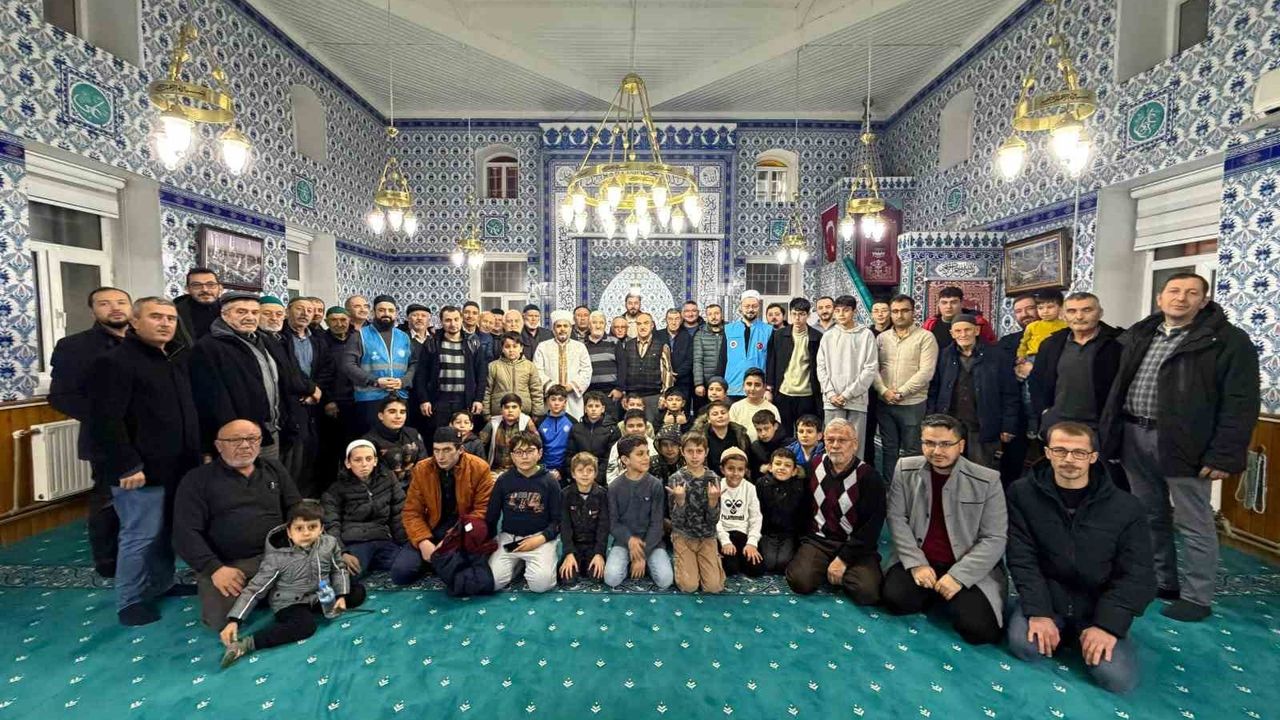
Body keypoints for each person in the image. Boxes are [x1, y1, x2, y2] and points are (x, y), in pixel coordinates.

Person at [1099, 272, 1260, 622]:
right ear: (1160, 298)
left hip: (1186, 442)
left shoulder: (1226, 341)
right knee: (1149, 515)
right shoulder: (1142, 334)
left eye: (1191, 293)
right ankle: (1163, 581)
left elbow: (1241, 401)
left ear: (1204, 300)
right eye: (1174, 291)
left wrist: (1224, 454)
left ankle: (1197, 596)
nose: (1181, 298)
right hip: (1134, 434)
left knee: (1193, 520)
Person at [1006, 421, 1155, 693]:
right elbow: (1021, 558)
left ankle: (1084, 634)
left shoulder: (1126, 507)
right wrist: (1038, 612)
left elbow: (1138, 575)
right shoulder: (1021, 494)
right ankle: (1058, 629)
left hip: (1097, 606)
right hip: (1049, 598)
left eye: (1079, 452)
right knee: (1025, 647)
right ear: (1048, 453)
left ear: (1093, 457)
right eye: (1060, 451)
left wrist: (1107, 626)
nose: (1069, 459)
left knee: (1116, 679)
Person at [87, 296, 201, 625]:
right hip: (139, 470)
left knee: (164, 531)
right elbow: (106, 420)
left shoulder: (170, 358)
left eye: (170, 318)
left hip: (176, 465)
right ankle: (131, 601)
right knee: (140, 535)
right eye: (156, 317)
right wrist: (127, 464)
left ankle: (162, 583)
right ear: (135, 322)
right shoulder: (115, 362)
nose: (165, 323)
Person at [880, 414, 1007, 645]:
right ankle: (935, 590)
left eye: (946, 444)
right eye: (929, 443)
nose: (937, 451)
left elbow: (994, 538)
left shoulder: (987, 480)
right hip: (921, 558)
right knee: (896, 601)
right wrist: (916, 563)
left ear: (961, 445)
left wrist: (958, 576)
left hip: (965, 563)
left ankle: (945, 590)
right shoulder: (905, 469)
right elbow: (897, 519)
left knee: (979, 631)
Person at [173, 419, 302, 631]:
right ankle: (265, 591)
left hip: (277, 555)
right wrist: (215, 569)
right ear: (218, 445)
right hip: (230, 565)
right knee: (220, 620)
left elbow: (295, 508)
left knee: (330, 587)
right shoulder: (197, 480)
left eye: (252, 438)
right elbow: (185, 533)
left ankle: (265, 591)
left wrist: (302, 545)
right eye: (235, 440)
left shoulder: (273, 468)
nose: (245, 445)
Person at [218, 500, 364, 668]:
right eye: (299, 528)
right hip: (289, 601)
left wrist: (341, 596)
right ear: (289, 532)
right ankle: (246, 644)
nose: (306, 533)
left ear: (321, 528)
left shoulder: (329, 543)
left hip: (319, 593)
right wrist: (234, 620)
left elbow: (339, 569)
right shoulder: (276, 557)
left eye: (312, 527)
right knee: (305, 627)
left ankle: (322, 607)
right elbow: (255, 589)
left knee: (357, 592)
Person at [49, 286, 131, 577]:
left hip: (151, 438)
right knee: (108, 500)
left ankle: (142, 558)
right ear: (93, 310)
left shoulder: (143, 340)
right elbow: (61, 397)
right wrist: (108, 419)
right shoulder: (75, 346)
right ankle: (108, 562)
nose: (115, 308)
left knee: (148, 501)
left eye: (121, 302)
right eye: (105, 303)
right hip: (107, 439)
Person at [190, 292, 309, 460]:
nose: (249, 317)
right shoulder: (209, 347)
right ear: (224, 314)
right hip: (237, 438)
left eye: (254, 312)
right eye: (241, 312)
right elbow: (211, 401)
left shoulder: (265, 341)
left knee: (268, 475)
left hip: (269, 431)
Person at [785, 419, 885, 604]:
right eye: (830, 440)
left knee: (867, 593)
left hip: (854, 544)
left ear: (855, 444)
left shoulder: (869, 477)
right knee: (800, 582)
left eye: (842, 440)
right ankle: (824, 567)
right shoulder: (814, 466)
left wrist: (843, 559)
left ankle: (834, 568)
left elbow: (871, 527)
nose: (835, 445)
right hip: (818, 541)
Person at [398, 427, 495, 585]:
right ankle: (441, 561)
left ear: (460, 450)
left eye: (447, 450)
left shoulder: (479, 467)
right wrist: (423, 541)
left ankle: (444, 561)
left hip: (463, 529)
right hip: (432, 528)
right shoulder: (422, 469)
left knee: (465, 569)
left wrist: (451, 539)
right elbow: (411, 512)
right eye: (436, 450)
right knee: (401, 573)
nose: (440, 456)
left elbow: (482, 510)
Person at [927, 315, 1019, 470]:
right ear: (952, 334)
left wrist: (1008, 425)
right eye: (958, 331)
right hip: (951, 425)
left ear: (976, 330)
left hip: (984, 425)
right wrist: (932, 420)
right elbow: (934, 390)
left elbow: (1010, 394)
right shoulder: (944, 356)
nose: (963, 334)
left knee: (981, 472)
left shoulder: (997, 356)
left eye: (967, 330)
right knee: (949, 470)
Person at [1029, 292, 1122, 434]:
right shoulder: (1051, 344)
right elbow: (1036, 380)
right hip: (1057, 425)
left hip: (1100, 428)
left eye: (1087, 310)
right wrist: (1044, 411)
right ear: (1064, 315)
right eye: (1072, 311)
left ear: (1100, 313)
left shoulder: (1119, 343)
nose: (1079, 317)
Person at [321, 439, 409, 581]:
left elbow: (398, 513)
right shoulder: (336, 489)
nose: (364, 464)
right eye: (358, 460)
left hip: (383, 539)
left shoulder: (388, 479)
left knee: (408, 567)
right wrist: (342, 553)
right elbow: (331, 524)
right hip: (355, 542)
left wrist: (405, 544)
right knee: (349, 577)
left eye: (368, 459)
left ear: (375, 461)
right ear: (348, 463)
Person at [485, 431, 561, 593]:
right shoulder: (504, 480)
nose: (524, 457)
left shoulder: (550, 481)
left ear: (540, 453)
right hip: (510, 539)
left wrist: (541, 538)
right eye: (519, 452)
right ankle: (518, 565)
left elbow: (558, 520)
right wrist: (487, 543)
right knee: (493, 582)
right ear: (512, 456)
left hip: (539, 539)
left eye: (530, 451)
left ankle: (542, 559)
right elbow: (492, 515)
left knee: (540, 585)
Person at [874, 294, 939, 478]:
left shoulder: (925, 337)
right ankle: (890, 488)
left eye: (904, 311)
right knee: (889, 449)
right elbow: (873, 368)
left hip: (913, 404)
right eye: (895, 311)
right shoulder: (882, 338)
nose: (899, 315)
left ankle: (911, 489)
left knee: (913, 451)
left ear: (913, 312)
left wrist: (901, 393)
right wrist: (883, 391)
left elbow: (926, 372)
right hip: (885, 403)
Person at [342, 294, 417, 437]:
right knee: (371, 440)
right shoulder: (360, 336)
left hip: (399, 397)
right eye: (381, 310)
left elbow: (413, 364)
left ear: (396, 313)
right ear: (373, 312)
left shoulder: (404, 337)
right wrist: (375, 381)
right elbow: (348, 365)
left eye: (390, 310)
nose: (386, 314)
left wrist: (404, 381)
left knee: (398, 440)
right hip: (370, 399)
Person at [604, 435, 673, 588]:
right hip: (624, 542)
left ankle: (643, 563)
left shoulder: (655, 485)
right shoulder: (614, 487)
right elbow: (614, 524)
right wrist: (629, 540)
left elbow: (657, 524)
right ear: (625, 459)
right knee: (611, 578)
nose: (646, 458)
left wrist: (641, 555)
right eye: (640, 454)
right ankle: (631, 563)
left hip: (652, 542)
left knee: (665, 580)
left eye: (647, 453)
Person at [816, 294, 878, 449]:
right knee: (833, 444)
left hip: (857, 400)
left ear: (854, 311)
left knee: (854, 445)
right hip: (832, 400)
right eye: (837, 311)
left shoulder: (866, 335)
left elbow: (870, 368)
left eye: (846, 310)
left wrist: (847, 394)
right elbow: (821, 367)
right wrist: (830, 394)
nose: (841, 314)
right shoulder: (828, 336)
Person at [414, 305, 488, 435]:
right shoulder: (432, 343)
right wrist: (424, 400)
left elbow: (481, 375)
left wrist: (478, 399)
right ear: (441, 322)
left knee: (463, 438)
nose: (453, 324)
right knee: (440, 436)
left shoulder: (473, 343)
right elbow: (421, 375)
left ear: (461, 319)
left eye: (456, 319)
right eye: (448, 320)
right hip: (439, 401)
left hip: (465, 400)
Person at [282, 296, 329, 496]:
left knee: (312, 449)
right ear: (287, 311)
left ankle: (309, 495)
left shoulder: (317, 340)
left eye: (309, 311)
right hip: (290, 402)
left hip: (314, 402)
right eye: (299, 309)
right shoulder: (281, 338)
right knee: (293, 454)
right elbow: (287, 370)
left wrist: (316, 391)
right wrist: (308, 390)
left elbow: (326, 369)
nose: (305, 314)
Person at [667, 433, 724, 593]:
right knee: (689, 586)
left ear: (706, 452)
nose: (694, 456)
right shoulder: (675, 479)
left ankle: (712, 560)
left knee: (713, 587)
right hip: (683, 536)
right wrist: (680, 501)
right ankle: (680, 560)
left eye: (699, 451)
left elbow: (713, 521)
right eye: (690, 451)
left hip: (707, 537)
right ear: (682, 452)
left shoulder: (714, 479)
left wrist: (713, 502)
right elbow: (676, 521)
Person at [997, 294, 1039, 487]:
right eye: (1019, 311)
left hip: (1046, 414)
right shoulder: (1008, 342)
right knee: (1011, 466)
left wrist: (1035, 369)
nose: (1025, 314)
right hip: (1016, 414)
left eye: (1030, 308)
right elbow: (1000, 376)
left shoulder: (1059, 337)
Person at [766, 297, 822, 433]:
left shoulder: (816, 337)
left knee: (806, 431)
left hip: (807, 394)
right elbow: (771, 362)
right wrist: (769, 388)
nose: (797, 318)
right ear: (790, 314)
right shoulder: (779, 335)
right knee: (784, 432)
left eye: (802, 314)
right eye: (794, 314)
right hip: (784, 392)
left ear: (808, 315)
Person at [559, 452, 610, 584]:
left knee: (597, 577)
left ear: (596, 473)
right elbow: (565, 526)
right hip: (574, 545)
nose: (585, 474)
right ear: (573, 474)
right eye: (580, 470)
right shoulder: (565, 495)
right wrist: (569, 553)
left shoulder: (603, 495)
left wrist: (599, 553)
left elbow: (603, 527)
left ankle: (592, 561)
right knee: (567, 579)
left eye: (589, 470)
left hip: (593, 546)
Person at [533, 311, 593, 419]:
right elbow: (537, 371)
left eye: (565, 326)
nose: (562, 329)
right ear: (553, 329)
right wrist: (553, 388)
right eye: (558, 326)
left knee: (574, 425)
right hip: (550, 397)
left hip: (573, 398)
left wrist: (572, 386)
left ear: (570, 328)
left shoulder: (580, 347)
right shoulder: (543, 347)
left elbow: (586, 371)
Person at [617, 312, 673, 424]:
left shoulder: (662, 345)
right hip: (632, 396)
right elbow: (623, 370)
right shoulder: (627, 345)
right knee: (632, 427)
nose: (642, 327)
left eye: (646, 323)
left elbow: (667, 372)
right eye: (639, 324)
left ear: (652, 325)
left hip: (653, 396)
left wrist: (665, 395)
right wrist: (623, 393)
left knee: (651, 427)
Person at [755, 449, 805, 573]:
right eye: (778, 464)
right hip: (768, 532)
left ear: (794, 471)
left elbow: (802, 514)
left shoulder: (799, 487)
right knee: (769, 563)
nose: (782, 468)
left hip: (788, 533)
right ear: (770, 467)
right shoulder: (761, 484)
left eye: (787, 465)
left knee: (783, 563)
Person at [717, 447, 764, 578]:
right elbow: (715, 519)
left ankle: (738, 558)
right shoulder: (717, 487)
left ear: (745, 470)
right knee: (730, 568)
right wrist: (725, 541)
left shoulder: (750, 488)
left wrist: (752, 543)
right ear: (722, 469)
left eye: (740, 469)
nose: (735, 473)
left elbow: (756, 518)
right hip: (723, 532)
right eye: (730, 469)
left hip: (742, 532)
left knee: (756, 569)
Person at [362, 397, 425, 488]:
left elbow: (424, 464)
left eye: (402, 412)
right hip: (385, 490)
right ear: (381, 416)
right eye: (392, 412)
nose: (398, 416)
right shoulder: (369, 441)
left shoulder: (413, 433)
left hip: (416, 487)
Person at [721, 290, 771, 400]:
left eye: (754, 306)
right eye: (747, 306)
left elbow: (771, 362)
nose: (750, 309)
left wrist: (768, 388)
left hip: (757, 388)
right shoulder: (729, 329)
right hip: (732, 387)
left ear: (759, 307)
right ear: (741, 307)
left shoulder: (768, 330)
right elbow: (722, 359)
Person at [566, 391, 621, 486]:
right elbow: (570, 456)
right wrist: (577, 476)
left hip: (602, 480)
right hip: (579, 478)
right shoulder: (576, 428)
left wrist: (596, 477)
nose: (593, 409)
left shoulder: (612, 430)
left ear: (603, 409)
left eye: (597, 406)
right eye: (590, 406)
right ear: (585, 409)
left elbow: (610, 458)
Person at [484, 333, 545, 417]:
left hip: (523, 413)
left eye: (515, 346)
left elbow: (536, 391)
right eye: (507, 347)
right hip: (499, 413)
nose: (511, 350)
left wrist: (537, 414)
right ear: (502, 348)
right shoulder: (493, 366)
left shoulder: (529, 366)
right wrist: (486, 414)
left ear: (521, 348)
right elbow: (487, 391)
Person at [479, 394, 536, 475]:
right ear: (501, 410)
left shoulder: (526, 422)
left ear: (520, 409)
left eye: (514, 407)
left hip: (520, 471)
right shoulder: (493, 422)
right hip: (496, 470)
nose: (510, 410)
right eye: (506, 407)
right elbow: (479, 444)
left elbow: (537, 446)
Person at [923, 286, 996, 349]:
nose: (948, 306)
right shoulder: (930, 324)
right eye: (944, 303)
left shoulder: (978, 322)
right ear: (938, 304)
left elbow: (992, 346)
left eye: (953, 302)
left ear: (961, 303)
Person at [173, 267, 223, 353]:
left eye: (210, 285)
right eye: (197, 285)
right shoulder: (174, 313)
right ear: (187, 289)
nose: (205, 290)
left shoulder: (232, 310)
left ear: (220, 288)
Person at [584, 311, 623, 418]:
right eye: (594, 322)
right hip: (589, 393)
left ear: (605, 325)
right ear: (589, 325)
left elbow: (622, 367)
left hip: (610, 393)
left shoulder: (614, 342)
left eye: (601, 323)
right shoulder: (582, 345)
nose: (598, 326)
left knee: (610, 423)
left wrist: (619, 388)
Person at [654, 307, 696, 403]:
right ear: (666, 320)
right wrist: (666, 375)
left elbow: (690, 359)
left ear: (681, 320)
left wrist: (676, 374)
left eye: (677, 319)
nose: (673, 322)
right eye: (670, 319)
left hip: (682, 382)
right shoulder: (657, 336)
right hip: (660, 381)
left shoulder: (688, 337)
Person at [1016, 289, 1068, 366]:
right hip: (1033, 357)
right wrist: (1021, 356)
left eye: (1050, 307)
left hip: (1057, 358)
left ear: (1061, 307)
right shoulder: (1032, 326)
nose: (1045, 311)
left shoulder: (1066, 326)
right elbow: (1023, 344)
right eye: (1040, 308)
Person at [605, 410, 659, 482]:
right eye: (631, 426)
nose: (635, 429)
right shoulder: (617, 446)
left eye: (639, 425)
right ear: (625, 428)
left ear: (646, 427)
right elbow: (611, 474)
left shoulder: (654, 446)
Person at [729, 368, 781, 442]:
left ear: (764, 387)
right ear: (743, 385)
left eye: (757, 385)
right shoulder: (735, 407)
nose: (752, 388)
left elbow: (777, 435)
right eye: (749, 384)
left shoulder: (772, 408)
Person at [537, 385, 575, 483]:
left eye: (560, 400)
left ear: (565, 402)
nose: (556, 403)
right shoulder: (539, 422)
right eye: (553, 399)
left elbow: (573, 450)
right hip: (542, 470)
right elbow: (536, 449)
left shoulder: (572, 422)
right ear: (547, 401)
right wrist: (543, 470)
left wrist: (561, 472)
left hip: (564, 471)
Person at [692, 303, 726, 409]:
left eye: (716, 313)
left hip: (727, 381)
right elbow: (697, 360)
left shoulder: (730, 331)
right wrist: (699, 383)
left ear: (722, 315)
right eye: (710, 314)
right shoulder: (700, 334)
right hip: (707, 383)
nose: (714, 317)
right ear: (706, 316)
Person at [703, 400, 750, 470]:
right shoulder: (701, 436)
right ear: (708, 419)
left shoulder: (741, 435)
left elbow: (749, 460)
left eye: (723, 413)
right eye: (715, 414)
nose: (720, 416)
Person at [748, 410, 788, 480]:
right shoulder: (755, 447)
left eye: (766, 428)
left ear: (775, 426)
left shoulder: (789, 445)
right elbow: (753, 473)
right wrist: (759, 469)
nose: (763, 433)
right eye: (759, 430)